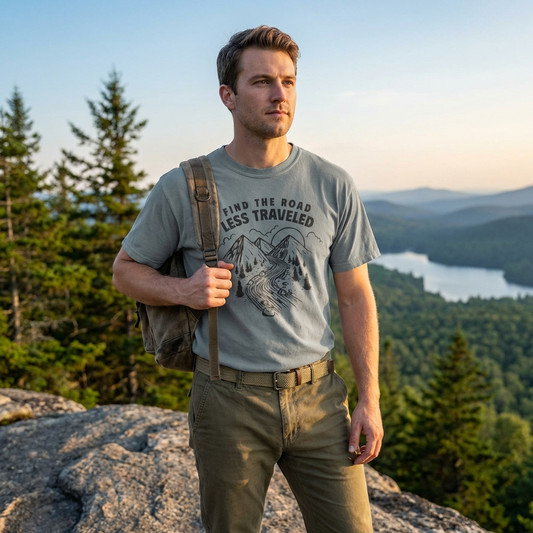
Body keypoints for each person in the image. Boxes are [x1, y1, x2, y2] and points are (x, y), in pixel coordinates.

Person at [113, 25, 382, 533]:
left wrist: (369, 398)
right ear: (228, 96)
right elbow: (125, 271)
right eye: (262, 81)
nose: (279, 94)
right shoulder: (185, 186)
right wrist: (183, 291)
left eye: (289, 81)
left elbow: (354, 297)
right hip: (227, 399)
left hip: (320, 398)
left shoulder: (332, 183)